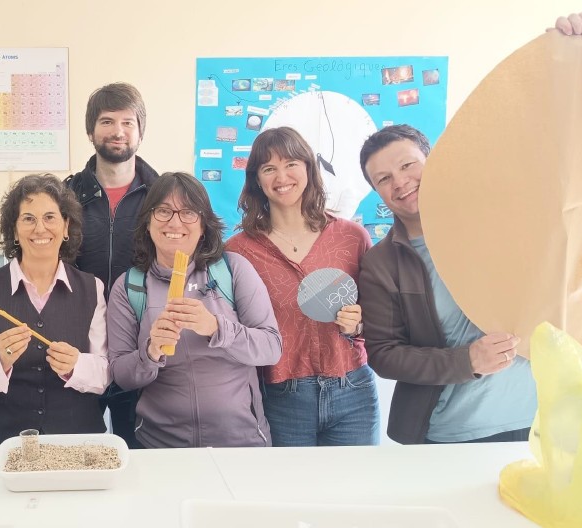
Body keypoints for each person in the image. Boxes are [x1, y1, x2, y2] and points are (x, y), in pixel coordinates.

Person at [357, 124, 537, 444]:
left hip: (541, 422)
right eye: (383, 179)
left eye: (407, 165)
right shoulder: (382, 263)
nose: (400, 182)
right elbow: (384, 354)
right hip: (452, 433)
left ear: (434, 160)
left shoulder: (500, 223)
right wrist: (467, 361)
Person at [226, 127, 379, 447]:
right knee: (288, 482)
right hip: (280, 396)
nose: (282, 176)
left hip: (352, 390)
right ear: (256, 180)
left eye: (291, 163)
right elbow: (234, 330)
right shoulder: (239, 251)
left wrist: (359, 324)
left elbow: (381, 317)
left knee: (356, 480)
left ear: (309, 168)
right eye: (269, 168)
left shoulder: (352, 237)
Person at [107, 172, 282, 449]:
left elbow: (271, 348)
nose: (175, 222)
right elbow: (121, 375)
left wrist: (216, 327)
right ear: (148, 222)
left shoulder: (233, 269)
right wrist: (150, 352)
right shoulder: (130, 286)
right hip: (160, 446)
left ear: (203, 225)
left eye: (188, 212)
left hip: (240, 443)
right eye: (163, 211)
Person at [0, 174, 109, 453]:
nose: (40, 228)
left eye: (50, 217)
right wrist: (0, 361)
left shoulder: (93, 288)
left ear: (66, 226)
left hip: (74, 446)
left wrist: (76, 365)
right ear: (14, 231)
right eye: (28, 219)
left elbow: (103, 375)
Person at [65, 82, 160, 449]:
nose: (118, 131)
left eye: (127, 122)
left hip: (141, 346)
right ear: (91, 131)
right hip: (78, 344)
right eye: (107, 121)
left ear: (140, 131)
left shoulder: (162, 196)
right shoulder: (65, 196)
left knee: (138, 450)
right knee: (77, 451)